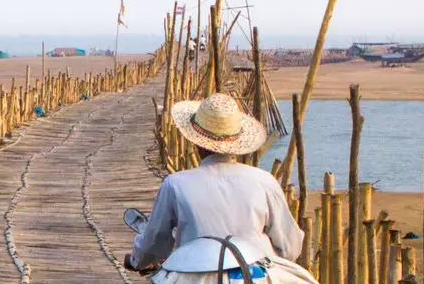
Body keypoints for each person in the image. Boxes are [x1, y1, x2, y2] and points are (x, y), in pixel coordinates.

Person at [127, 93, 304, 272]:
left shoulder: (175, 184)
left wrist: (136, 260)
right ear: (236, 142)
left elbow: (155, 240)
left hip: (195, 275)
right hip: (254, 277)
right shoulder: (264, 181)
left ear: (195, 142)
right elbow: (291, 246)